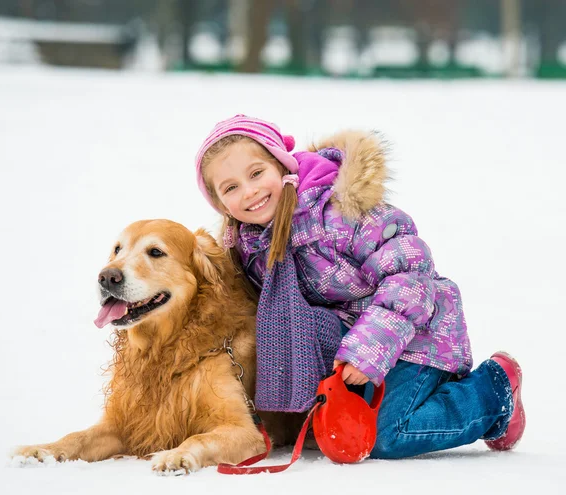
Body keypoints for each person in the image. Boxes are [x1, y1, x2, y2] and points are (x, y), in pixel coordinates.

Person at [194, 114, 525, 459]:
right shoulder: (249, 249)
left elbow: (410, 276)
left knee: (385, 434)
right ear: (219, 203)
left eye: (257, 173)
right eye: (230, 188)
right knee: (338, 435)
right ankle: (429, 393)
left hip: (419, 338)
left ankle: (492, 392)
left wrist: (367, 353)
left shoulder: (339, 213)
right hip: (348, 353)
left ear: (282, 165)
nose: (250, 191)